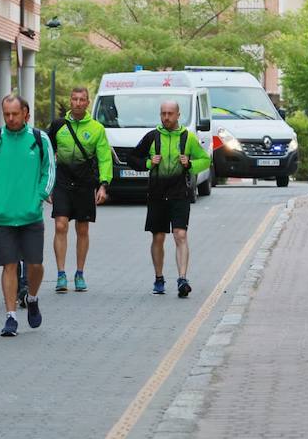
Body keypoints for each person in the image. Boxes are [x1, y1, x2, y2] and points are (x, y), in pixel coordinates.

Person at [0, 94, 55, 337]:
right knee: (9, 266)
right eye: (6, 114)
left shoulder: (39, 138)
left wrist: (39, 197)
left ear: (26, 114)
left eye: (15, 114)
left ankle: (31, 298)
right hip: (2, 216)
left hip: (31, 215)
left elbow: (49, 170)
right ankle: (10, 317)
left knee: (36, 265)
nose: (10, 118)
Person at [128, 100, 210, 297]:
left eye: (170, 113)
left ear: (178, 115)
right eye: (163, 113)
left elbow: (206, 159)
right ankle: (159, 278)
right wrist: (148, 162)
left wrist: (190, 164)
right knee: (158, 237)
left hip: (179, 193)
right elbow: (132, 159)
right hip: (157, 194)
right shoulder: (152, 137)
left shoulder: (187, 138)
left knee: (180, 235)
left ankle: (182, 279)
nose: (166, 117)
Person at [48, 87, 113, 293]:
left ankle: (79, 273)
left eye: (82, 99)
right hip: (62, 179)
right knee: (60, 225)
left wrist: (103, 185)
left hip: (85, 181)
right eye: (74, 99)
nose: (77, 102)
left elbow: (104, 157)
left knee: (82, 229)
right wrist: (45, 185)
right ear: (70, 101)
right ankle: (60, 274)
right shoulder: (58, 125)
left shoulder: (96, 128)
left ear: (87, 103)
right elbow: (46, 154)